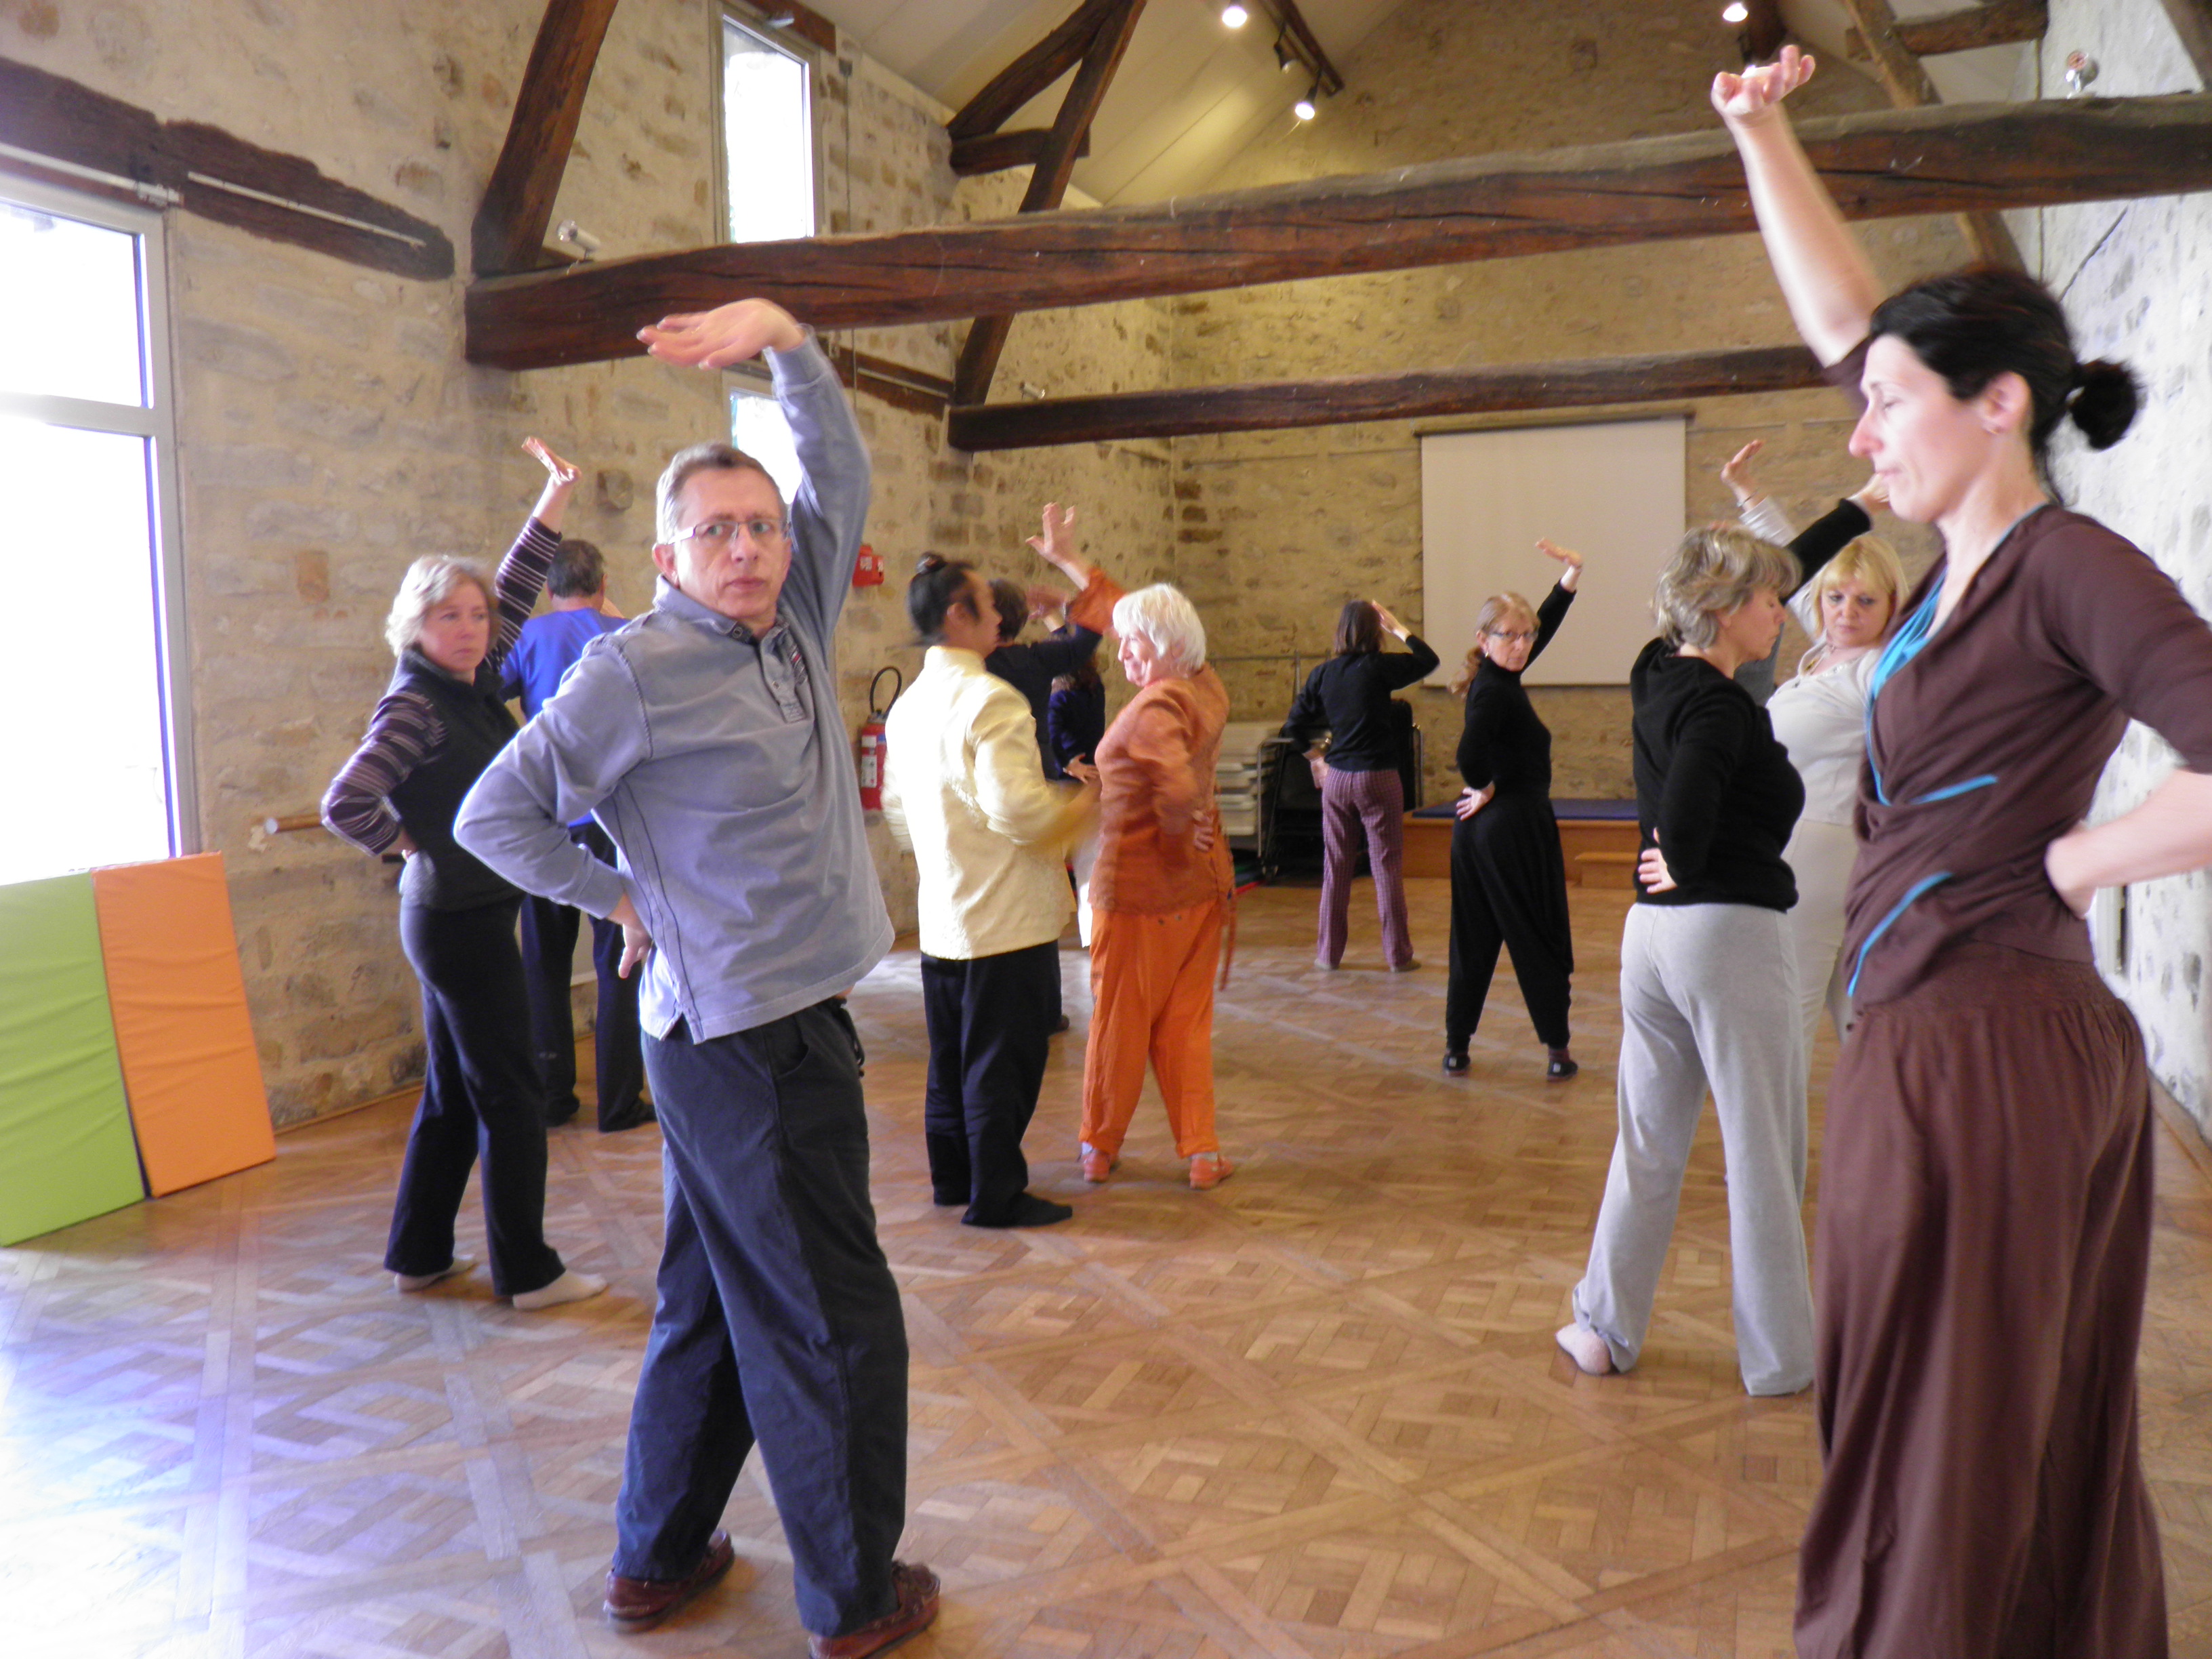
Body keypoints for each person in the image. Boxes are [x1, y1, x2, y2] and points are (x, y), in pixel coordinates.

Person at [1717, 47, 2212, 1658]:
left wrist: (2077, 863)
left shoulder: (2061, 562)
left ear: (1997, 404)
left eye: (1888, 406)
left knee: (1936, 1446)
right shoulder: (1948, 577)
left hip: (1988, 1042)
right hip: (1947, 1038)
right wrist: (1763, 132)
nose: (1859, 431)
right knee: (1970, 1428)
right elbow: (1853, 326)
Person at [453, 298, 937, 1656]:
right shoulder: (634, 669)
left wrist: (788, 341)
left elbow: (836, 467)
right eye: (716, 532)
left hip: (777, 1025)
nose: (746, 547)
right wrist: (619, 896)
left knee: (716, 1306)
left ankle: (657, 1558)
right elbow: (497, 815)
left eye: (761, 526)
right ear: (669, 555)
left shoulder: (790, 627)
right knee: (835, 1320)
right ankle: (853, 1598)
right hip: (743, 1045)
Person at [320, 438, 605, 1314]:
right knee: (514, 1098)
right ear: (415, 626)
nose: (473, 628)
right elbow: (347, 800)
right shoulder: (417, 703)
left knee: (451, 1094)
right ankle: (529, 1271)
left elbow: (517, 585)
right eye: (451, 618)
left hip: (465, 916)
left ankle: (419, 1253)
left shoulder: (470, 681)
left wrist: (552, 498)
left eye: (477, 617)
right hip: (457, 920)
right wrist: (410, 846)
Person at [1555, 523, 1815, 1399]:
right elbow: (1692, 803)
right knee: (1763, 1150)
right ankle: (1781, 1358)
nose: (1783, 611)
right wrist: (1689, 851)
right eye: (1768, 598)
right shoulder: (1717, 705)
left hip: (1654, 938)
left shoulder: (1653, 672)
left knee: (1648, 1143)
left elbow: (1683, 802)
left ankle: (1602, 1325)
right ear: (1720, 609)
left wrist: (1854, 509)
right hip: (1728, 937)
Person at [881, 553, 1097, 1229]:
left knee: (951, 1060)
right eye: (986, 601)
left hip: (945, 914)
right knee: (1004, 1064)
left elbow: (896, 810)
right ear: (957, 614)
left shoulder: (911, 702)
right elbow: (1021, 811)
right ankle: (997, 1194)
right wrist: (1084, 805)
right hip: (1006, 918)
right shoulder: (989, 698)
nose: (1002, 614)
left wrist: (949, 858)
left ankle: (955, 1178)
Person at [1057, 543, 1235, 1191]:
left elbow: (1180, 792)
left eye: (1134, 647)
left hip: (1140, 895)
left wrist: (1178, 835)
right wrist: (1076, 563)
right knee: (1186, 1026)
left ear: (1165, 648)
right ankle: (1202, 1153)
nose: (1123, 654)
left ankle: (1098, 1148)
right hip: (1203, 891)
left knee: (1119, 1028)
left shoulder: (1157, 707)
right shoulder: (1203, 682)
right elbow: (1131, 615)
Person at [1721, 444, 1904, 1045]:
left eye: (1866, 601)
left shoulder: (1878, 670)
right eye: (1836, 598)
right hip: (1802, 843)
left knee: (1787, 1014)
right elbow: (1792, 569)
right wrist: (1747, 491)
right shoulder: (1826, 648)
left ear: (1891, 606)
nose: (1846, 612)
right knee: (1856, 1013)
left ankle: (1776, 1140)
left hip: (1822, 846)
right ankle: (1895, 1132)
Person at [499, 539, 650, 1133]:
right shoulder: (625, 632)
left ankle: (552, 1096)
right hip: (611, 819)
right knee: (619, 958)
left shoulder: (529, 637)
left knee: (543, 962)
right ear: (603, 578)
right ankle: (618, 1101)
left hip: (546, 819)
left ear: (547, 586)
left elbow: (491, 696)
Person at [1443, 538, 1583, 1081]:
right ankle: (1557, 1049)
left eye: (1527, 635)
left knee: (1474, 936)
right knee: (1536, 934)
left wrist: (1570, 577)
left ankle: (1457, 1045)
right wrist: (1486, 784)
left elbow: (1541, 627)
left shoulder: (1497, 676)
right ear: (1484, 639)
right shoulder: (1496, 692)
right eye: (1511, 635)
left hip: (1478, 834)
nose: (1522, 644)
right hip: (1512, 831)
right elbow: (1469, 756)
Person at [1280, 599, 1437, 971]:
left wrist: (1318, 761)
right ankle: (1399, 957)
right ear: (1374, 631)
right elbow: (1429, 660)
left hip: (1336, 780)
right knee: (1386, 868)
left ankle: (1327, 955)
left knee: (1335, 867)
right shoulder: (1380, 668)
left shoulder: (1323, 674)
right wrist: (1399, 628)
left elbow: (1293, 728)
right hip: (1378, 778)